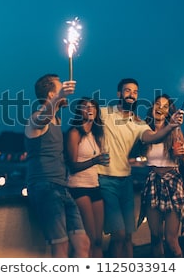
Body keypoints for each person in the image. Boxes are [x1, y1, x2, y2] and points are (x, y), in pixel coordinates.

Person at [97, 78, 184, 258]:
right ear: (119, 94)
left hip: (126, 181)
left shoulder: (139, 123)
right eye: (127, 90)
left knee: (128, 237)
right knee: (120, 235)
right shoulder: (104, 113)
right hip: (105, 179)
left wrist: (171, 126)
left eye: (135, 92)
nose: (131, 94)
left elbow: (153, 137)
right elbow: (83, 119)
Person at [24, 73, 90, 258]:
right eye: (60, 89)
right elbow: (43, 117)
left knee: (83, 244)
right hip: (45, 187)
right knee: (60, 248)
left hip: (62, 187)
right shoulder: (36, 118)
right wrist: (60, 97)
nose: (65, 94)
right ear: (52, 95)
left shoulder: (58, 121)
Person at [137, 94, 184, 257]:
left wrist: (180, 155)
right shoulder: (144, 131)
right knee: (155, 237)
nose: (160, 108)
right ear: (152, 107)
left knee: (171, 240)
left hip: (173, 184)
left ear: (169, 112)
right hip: (153, 184)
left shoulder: (176, 132)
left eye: (165, 106)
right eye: (157, 104)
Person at [65, 96, 109, 257]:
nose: (90, 109)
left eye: (93, 107)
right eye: (85, 106)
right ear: (79, 111)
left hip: (94, 186)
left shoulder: (96, 134)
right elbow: (73, 166)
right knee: (89, 239)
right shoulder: (74, 133)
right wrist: (95, 160)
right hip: (78, 187)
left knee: (99, 240)